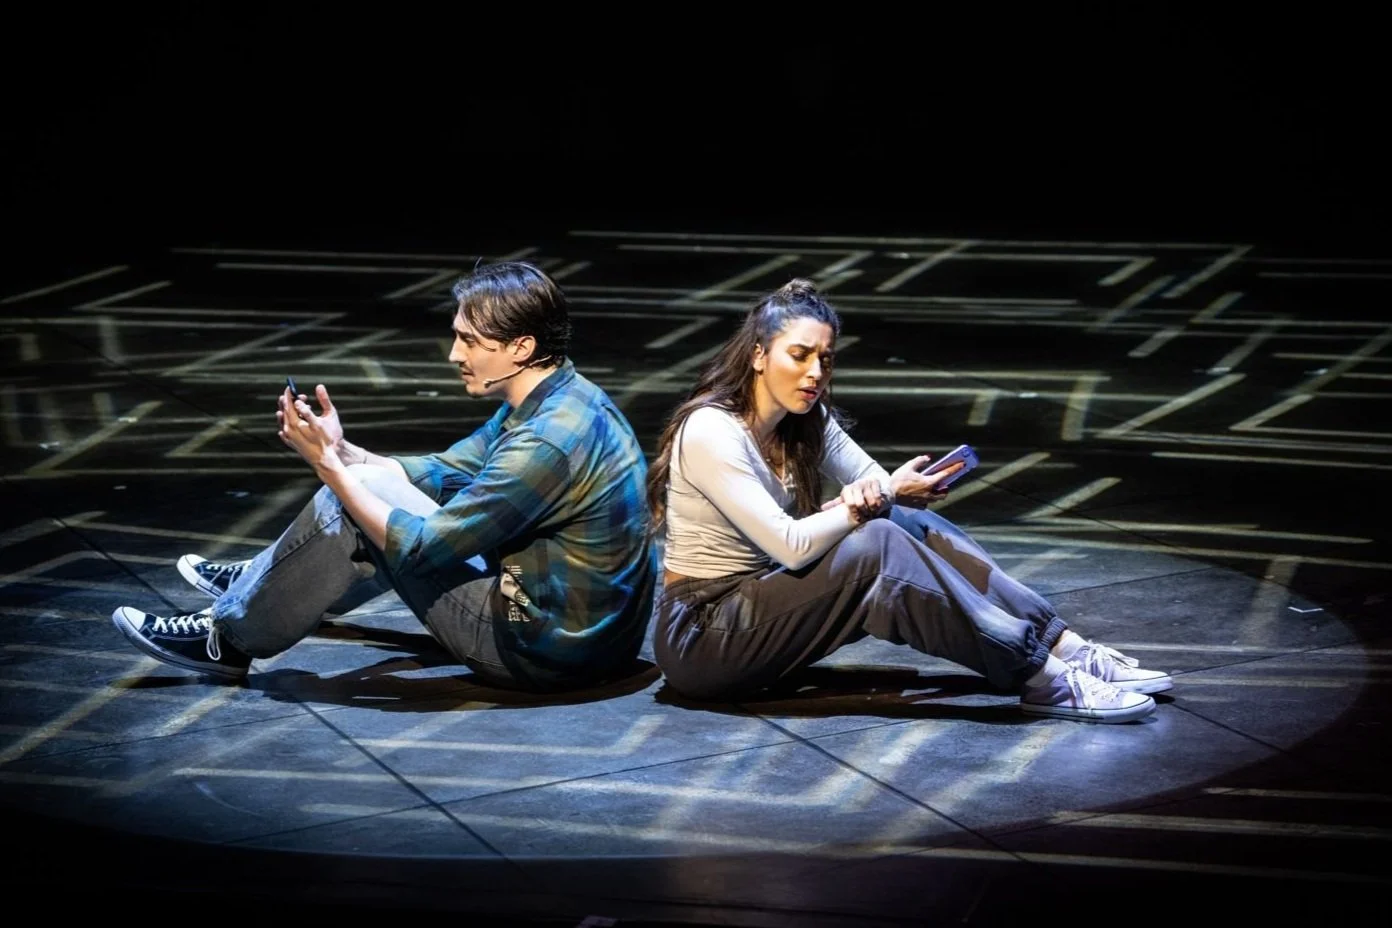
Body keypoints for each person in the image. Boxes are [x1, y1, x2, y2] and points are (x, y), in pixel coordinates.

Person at [112, 262, 656, 692]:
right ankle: (268, 581)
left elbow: (422, 548)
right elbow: (445, 471)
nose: (454, 354)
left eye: (470, 341)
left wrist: (330, 468)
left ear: (521, 346)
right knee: (364, 488)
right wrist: (343, 449)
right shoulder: (564, 398)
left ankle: (228, 638)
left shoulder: (544, 444)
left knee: (351, 505)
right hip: (593, 640)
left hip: (542, 652)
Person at [646, 278, 1171, 723]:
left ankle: (1062, 645)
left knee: (895, 519)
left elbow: (875, 484)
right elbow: (790, 546)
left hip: (761, 604)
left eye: (825, 360)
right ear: (759, 355)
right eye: (799, 355)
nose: (814, 373)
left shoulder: (805, 418)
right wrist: (863, 505)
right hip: (704, 633)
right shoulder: (711, 430)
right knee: (876, 540)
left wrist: (873, 498)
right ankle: (1042, 675)